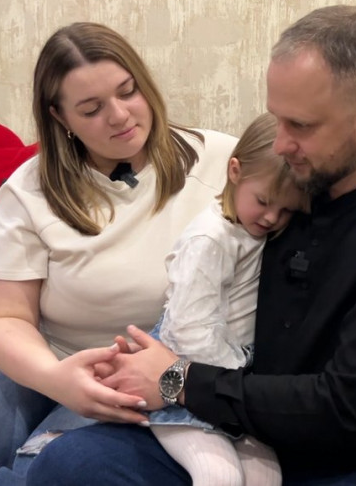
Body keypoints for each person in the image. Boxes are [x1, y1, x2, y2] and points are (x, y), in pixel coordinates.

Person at [26, 5, 356, 486]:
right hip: (238, 424)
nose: (282, 144)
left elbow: (346, 409)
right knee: (68, 465)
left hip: (350, 460)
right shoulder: (292, 188)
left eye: (302, 126)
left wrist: (178, 379)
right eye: (277, 120)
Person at [0, 22, 238, 485]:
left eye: (128, 92)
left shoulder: (222, 161)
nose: (120, 116)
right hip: (45, 351)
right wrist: (56, 379)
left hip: (145, 368)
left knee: (46, 470)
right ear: (60, 116)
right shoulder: (28, 190)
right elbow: (7, 317)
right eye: (91, 109)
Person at [145, 112, 308, 486]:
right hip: (188, 375)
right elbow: (189, 329)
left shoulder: (254, 230)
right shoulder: (211, 240)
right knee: (219, 475)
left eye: (287, 209)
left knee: (267, 476)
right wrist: (237, 382)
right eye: (264, 201)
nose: (272, 218)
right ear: (235, 171)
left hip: (230, 378)